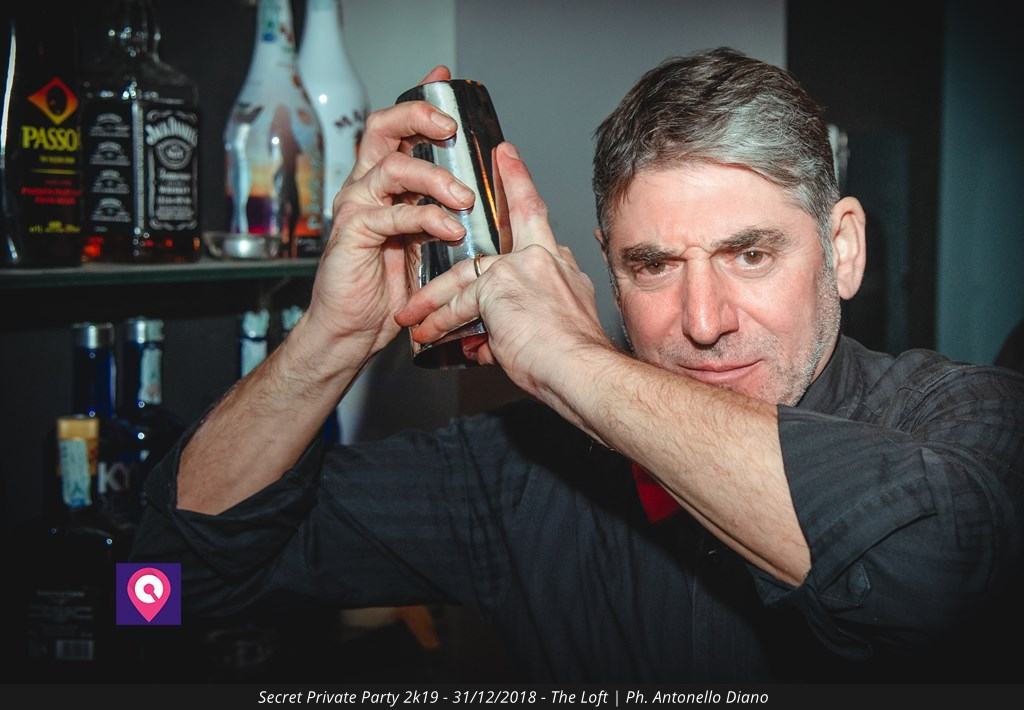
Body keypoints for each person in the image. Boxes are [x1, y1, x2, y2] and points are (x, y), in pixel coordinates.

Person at [133, 48, 1024, 682]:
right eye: (653, 266)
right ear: (608, 268)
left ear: (843, 249)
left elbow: (931, 580)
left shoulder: (970, 418)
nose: (703, 322)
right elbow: (165, 588)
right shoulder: (516, 475)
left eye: (751, 255)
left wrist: (572, 358)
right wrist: (329, 340)